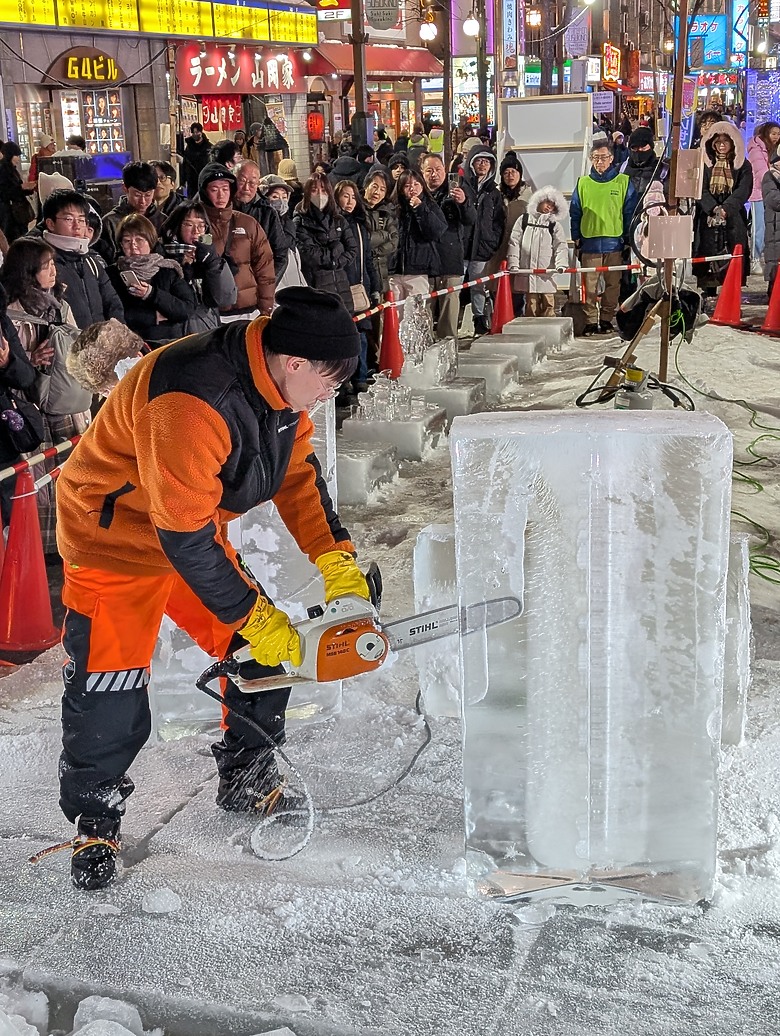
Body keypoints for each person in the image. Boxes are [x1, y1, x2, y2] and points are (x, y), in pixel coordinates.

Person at [54, 285, 370, 890]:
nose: (334, 393)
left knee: (259, 657)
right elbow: (187, 543)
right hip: (115, 537)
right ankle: (96, 821)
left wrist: (337, 560)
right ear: (296, 363)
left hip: (187, 526)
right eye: (331, 380)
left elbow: (297, 476)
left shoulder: (281, 389)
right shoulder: (193, 399)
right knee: (110, 680)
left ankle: (246, 773)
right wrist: (255, 616)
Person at [1, 237, 91, 552]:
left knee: (73, 473)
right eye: (45, 266)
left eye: (53, 264)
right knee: (37, 476)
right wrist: (30, 359)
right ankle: (45, 545)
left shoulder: (60, 304)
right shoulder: (11, 313)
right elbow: (12, 364)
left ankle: (75, 536)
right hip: (29, 404)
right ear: (27, 272)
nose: (53, 271)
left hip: (66, 404)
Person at [570, 142, 636, 336]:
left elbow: (629, 212)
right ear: (591, 159)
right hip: (589, 242)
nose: (600, 161)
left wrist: (628, 239)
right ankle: (590, 320)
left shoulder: (623, 182)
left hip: (614, 243)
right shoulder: (583, 183)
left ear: (612, 158)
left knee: (613, 286)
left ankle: (606, 319)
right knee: (589, 286)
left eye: (604, 157)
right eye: (596, 158)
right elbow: (575, 212)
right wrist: (575, 237)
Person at [197, 163, 275, 320]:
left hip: (248, 309)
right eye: (214, 190)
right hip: (208, 312)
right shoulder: (194, 223)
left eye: (225, 189)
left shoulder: (248, 223)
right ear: (204, 191)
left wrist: (266, 308)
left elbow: (265, 267)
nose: (221, 195)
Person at [40, 190, 124, 330]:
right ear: (50, 223)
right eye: (68, 219)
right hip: (64, 346)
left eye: (81, 220)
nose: (77, 226)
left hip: (100, 345)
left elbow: (113, 304)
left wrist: (120, 338)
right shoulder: (40, 262)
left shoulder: (91, 262)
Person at [108, 214, 197, 345]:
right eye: (127, 241)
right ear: (121, 244)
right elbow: (112, 313)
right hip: (130, 345)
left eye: (139, 240)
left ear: (150, 242)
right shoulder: (112, 273)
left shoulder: (167, 269)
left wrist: (151, 294)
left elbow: (186, 308)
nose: (133, 246)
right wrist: (152, 317)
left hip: (169, 344)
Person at [419, 153, 475, 340]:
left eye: (438, 169)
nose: (434, 174)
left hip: (450, 260)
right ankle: (423, 349)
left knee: (449, 308)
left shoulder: (456, 190)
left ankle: (448, 349)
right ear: (422, 172)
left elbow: (470, 220)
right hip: (424, 262)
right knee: (424, 309)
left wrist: (463, 202)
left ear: (445, 170)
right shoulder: (418, 193)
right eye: (429, 170)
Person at [693, 121, 752, 297]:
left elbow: (744, 189)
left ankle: (731, 291)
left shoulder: (743, 165)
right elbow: (700, 188)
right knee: (708, 254)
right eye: (717, 142)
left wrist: (726, 208)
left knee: (733, 253)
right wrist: (712, 208)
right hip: (708, 217)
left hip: (733, 217)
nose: (721, 145)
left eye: (725, 141)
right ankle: (708, 289)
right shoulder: (704, 164)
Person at [335, 179, 381, 392]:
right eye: (345, 196)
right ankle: (343, 380)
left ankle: (360, 376)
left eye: (353, 196)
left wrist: (375, 286)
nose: (350, 201)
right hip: (339, 288)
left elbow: (368, 260)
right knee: (343, 336)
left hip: (360, 288)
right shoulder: (333, 225)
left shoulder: (360, 225)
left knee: (361, 336)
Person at [159, 199, 238, 322]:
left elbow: (225, 299)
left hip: (205, 328)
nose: (196, 231)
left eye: (201, 225)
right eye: (189, 224)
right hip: (174, 331)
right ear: (177, 225)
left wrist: (212, 261)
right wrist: (182, 266)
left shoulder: (210, 256)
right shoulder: (161, 256)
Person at [0, 284, 38, 525]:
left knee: (13, 517)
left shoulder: (1, 321)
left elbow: (26, 377)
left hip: (3, 438)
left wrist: (7, 362)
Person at [293, 174, 358, 314]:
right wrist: (337, 249)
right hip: (316, 286)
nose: (320, 194)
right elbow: (308, 253)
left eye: (323, 190)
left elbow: (352, 249)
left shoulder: (338, 219)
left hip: (341, 285)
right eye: (314, 190)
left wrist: (337, 262)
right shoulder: (300, 221)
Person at [483, 151, 532, 317]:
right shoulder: (495, 196)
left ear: (520, 174)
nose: (510, 176)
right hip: (498, 251)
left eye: (513, 172)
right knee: (496, 290)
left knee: (517, 292)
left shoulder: (529, 198)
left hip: (519, 251)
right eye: (506, 172)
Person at [506, 186, 569, 317]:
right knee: (531, 304)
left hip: (547, 273)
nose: (548, 207)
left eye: (552, 206)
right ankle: (531, 330)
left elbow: (561, 246)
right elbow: (514, 242)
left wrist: (561, 264)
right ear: (539, 201)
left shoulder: (554, 225)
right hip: (528, 271)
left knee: (549, 303)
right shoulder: (523, 220)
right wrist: (513, 263)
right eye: (547, 203)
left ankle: (550, 330)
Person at [463, 146, 505, 336]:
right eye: (479, 160)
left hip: (481, 248)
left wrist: (491, 242)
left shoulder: (494, 193)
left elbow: (499, 222)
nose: (482, 165)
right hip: (461, 247)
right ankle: (451, 319)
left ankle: (479, 318)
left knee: (478, 285)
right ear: (471, 162)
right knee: (453, 286)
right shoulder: (461, 186)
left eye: (486, 162)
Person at [391, 169, 448, 302]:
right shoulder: (392, 208)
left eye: (416, 184)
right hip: (393, 271)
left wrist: (420, 209)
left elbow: (436, 232)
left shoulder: (430, 205)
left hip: (418, 270)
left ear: (422, 185)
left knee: (416, 315)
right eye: (407, 185)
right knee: (393, 315)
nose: (412, 188)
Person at [362, 169, 398, 370]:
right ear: (366, 186)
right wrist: (380, 236)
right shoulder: (357, 210)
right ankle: (365, 362)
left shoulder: (387, 212)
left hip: (380, 272)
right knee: (363, 320)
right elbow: (363, 240)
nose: (377, 192)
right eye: (374, 186)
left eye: (382, 189)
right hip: (361, 273)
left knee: (377, 320)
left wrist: (373, 247)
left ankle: (374, 360)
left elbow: (394, 241)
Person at [234, 160, 288, 279]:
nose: (246, 188)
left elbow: (281, 255)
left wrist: (266, 284)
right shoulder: (224, 209)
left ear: (258, 184)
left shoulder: (267, 213)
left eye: (252, 183)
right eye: (242, 181)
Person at [99, 161, 162, 261]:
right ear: (125, 188)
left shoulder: (162, 219)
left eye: (148, 195)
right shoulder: (110, 222)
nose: (143, 201)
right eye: (137, 195)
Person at [259, 174, 306, 292]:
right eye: (275, 196)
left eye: (284, 197)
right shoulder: (262, 225)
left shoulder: (289, 224)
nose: (281, 201)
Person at [747, 122, 780, 268]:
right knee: (759, 228)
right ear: (766, 133)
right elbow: (761, 172)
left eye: (778, 134)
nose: (776, 137)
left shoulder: (776, 149)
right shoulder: (757, 148)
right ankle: (755, 258)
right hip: (759, 193)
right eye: (773, 133)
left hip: (773, 193)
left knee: (772, 228)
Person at [0, 142, 36, 244]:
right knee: (14, 239)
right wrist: (21, 187)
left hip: (16, 213)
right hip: (10, 213)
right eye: (16, 155)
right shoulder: (3, 170)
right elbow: (4, 192)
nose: (18, 159)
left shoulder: (12, 170)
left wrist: (28, 188)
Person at [762, 149, 780, 299]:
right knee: (774, 263)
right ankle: (772, 295)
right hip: (775, 229)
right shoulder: (769, 177)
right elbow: (774, 200)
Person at [181, 123, 212, 198]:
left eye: (197, 132)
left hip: (204, 179)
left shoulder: (208, 147)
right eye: (193, 132)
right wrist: (183, 180)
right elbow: (185, 164)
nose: (195, 134)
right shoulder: (189, 147)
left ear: (201, 132)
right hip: (191, 180)